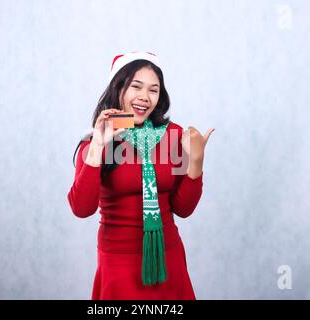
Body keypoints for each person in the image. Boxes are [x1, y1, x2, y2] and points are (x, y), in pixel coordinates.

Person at [67, 51, 214, 299]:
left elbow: (182, 208)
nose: (145, 97)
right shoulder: (97, 138)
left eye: (153, 90)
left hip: (168, 258)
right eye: (136, 86)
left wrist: (196, 162)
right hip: (118, 262)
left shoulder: (174, 135)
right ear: (118, 87)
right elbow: (82, 208)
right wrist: (97, 148)